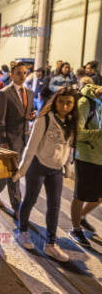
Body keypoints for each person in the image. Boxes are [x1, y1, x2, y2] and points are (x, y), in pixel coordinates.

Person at [14, 87, 78, 262]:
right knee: (30, 200)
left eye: (69, 103)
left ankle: (50, 244)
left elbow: (67, 145)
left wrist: (67, 166)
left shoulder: (71, 121)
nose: (65, 106)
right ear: (55, 101)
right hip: (38, 165)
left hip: (55, 169)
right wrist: (22, 169)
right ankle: (22, 231)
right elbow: (31, 146)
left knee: (55, 205)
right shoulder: (44, 119)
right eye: (61, 101)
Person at [0, 62, 36, 220]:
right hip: (11, 139)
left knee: (6, 172)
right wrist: (3, 140)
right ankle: (17, 206)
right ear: (12, 75)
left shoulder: (30, 92)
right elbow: (0, 120)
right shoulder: (4, 93)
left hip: (26, 137)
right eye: (19, 73)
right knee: (14, 173)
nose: (23, 76)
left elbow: (29, 112)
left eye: (25, 73)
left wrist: (31, 116)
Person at [68, 84, 102, 247]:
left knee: (99, 195)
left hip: (99, 156)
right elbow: (78, 133)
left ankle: (80, 216)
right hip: (86, 156)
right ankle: (75, 228)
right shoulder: (84, 102)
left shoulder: (99, 103)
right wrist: (99, 133)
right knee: (80, 194)